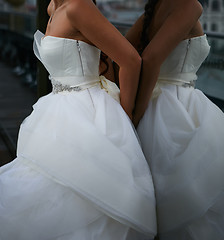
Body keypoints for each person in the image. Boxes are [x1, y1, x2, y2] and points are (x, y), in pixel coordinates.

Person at [0, 0, 157, 239]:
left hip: (90, 112)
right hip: (54, 110)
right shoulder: (52, 8)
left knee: (88, 193)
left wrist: (125, 115)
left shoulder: (78, 7)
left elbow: (131, 61)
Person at [125, 0, 224, 239]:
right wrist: (135, 114)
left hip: (154, 105)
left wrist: (135, 112)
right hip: (178, 110)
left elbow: (126, 51)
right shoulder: (190, 6)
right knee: (190, 197)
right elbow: (149, 59)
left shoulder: (155, 9)